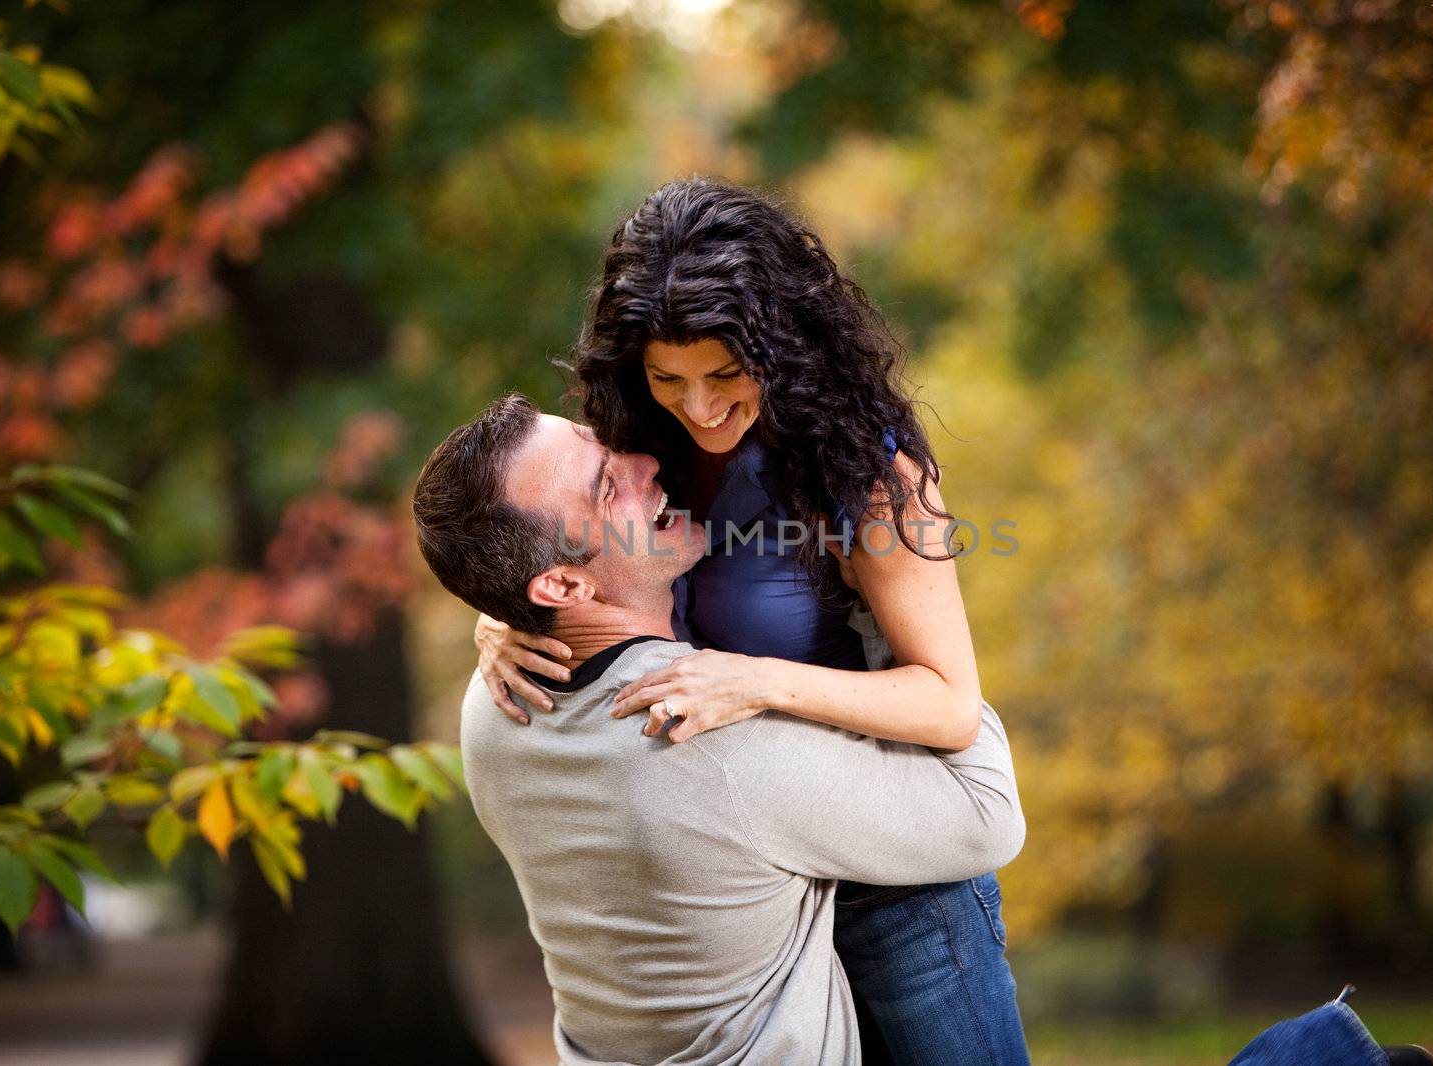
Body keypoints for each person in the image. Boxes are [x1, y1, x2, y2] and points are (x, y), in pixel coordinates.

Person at [475, 179, 1030, 1064]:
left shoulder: (870, 478)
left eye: (726, 376)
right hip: (748, 912)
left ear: (786, 348)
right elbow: (562, 564)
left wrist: (759, 681)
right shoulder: (637, 451)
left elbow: (949, 704)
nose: (697, 408)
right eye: (668, 378)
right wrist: (501, 621)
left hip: (897, 895)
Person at [413, 394, 1026, 1065]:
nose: (646, 461)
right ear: (561, 586)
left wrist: (501, 616)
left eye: (604, 441)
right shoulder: (702, 731)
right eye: (607, 485)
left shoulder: (489, 711)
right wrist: (890, 612)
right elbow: (985, 813)